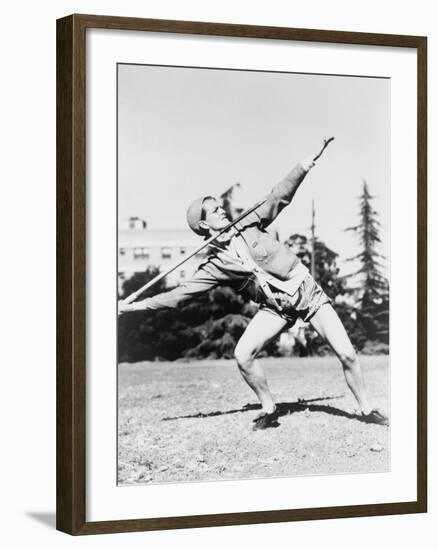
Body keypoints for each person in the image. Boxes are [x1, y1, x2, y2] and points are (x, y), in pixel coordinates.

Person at [119, 139, 388, 430]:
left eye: (220, 206)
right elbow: (180, 295)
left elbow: (278, 197)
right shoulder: (215, 266)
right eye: (214, 211)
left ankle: (366, 409)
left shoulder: (249, 222)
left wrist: (305, 164)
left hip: (306, 293)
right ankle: (269, 408)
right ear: (204, 226)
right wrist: (134, 306)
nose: (222, 210)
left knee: (347, 353)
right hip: (275, 309)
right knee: (242, 355)